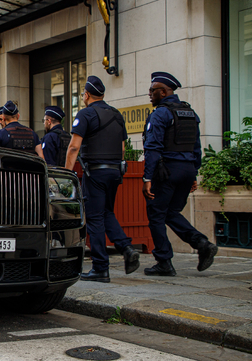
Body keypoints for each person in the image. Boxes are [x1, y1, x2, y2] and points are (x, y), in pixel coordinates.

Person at [142, 72, 218, 276]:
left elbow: (153, 147)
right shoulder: (190, 113)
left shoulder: (161, 113)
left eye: (153, 90)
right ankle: (202, 243)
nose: (150, 94)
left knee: (156, 215)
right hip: (186, 170)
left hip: (167, 171)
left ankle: (164, 261)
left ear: (164, 92)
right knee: (171, 212)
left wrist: (147, 178)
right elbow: (196, 148)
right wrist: (193, 174)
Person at [65, 75, 140, 282]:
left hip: (95, 172)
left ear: (86, 95)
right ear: (103, 95)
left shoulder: (86, 114)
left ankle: (100, 267)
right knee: (107, 211)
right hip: (115, 171)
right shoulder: (116, 114)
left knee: (95, 217)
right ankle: (126, 248)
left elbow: (73, 147)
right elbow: (123, 147)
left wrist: (66, 174)